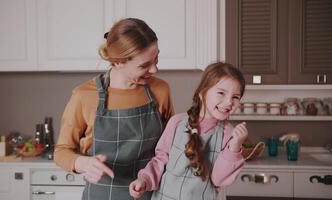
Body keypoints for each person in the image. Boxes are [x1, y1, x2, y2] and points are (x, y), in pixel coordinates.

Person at [54, 18, 174, 200]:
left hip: (152, 194)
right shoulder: (84, 96)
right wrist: (83, 163)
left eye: (156, 58)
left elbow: (170, 147)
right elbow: (61, 151)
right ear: (118, 62)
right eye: (144, 65)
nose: (155, 69)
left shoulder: (161, 90)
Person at [129, 62, 248, 200]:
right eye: (221, 93)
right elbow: (161, 159)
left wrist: (235, 147)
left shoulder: (228, 133)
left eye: (235, 97)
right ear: (202, 93)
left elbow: (218, 179)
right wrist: (144, 180)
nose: (229, 102)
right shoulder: (177, 123)